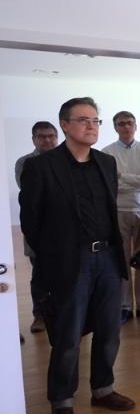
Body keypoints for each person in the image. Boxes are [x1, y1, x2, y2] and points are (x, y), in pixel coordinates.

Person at [19, 97, 135, 414]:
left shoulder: (106, 163)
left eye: (96, 121)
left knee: (110, 330)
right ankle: (62, 401)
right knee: (68, 335)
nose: (91, 126)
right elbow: (31, 222)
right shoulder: (41, 167)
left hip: (108, 259)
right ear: (65, 125)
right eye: (83, 120)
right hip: (71, 262)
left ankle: (103, 389)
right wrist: (56, 258)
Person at [102, 111, 140, 326]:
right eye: (121, 124)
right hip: (119, 210)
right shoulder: (107, 152)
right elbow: (111, 184)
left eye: (129, 123)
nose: (126, 127)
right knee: (121, 261)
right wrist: (133, 180)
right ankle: (123, 306)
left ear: (135, 125)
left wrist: (123, 177)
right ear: (115, 128)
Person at [15, 120, 58, 334]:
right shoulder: (24, 163)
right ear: (34, 139)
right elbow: (33, 197)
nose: (48, 140)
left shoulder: (66, 160)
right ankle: (40, 315)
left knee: (68, 274)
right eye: (42, 136)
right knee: (40, 275)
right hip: (38, 230)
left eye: (51, 136)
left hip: (65, 231)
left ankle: (64, 313)